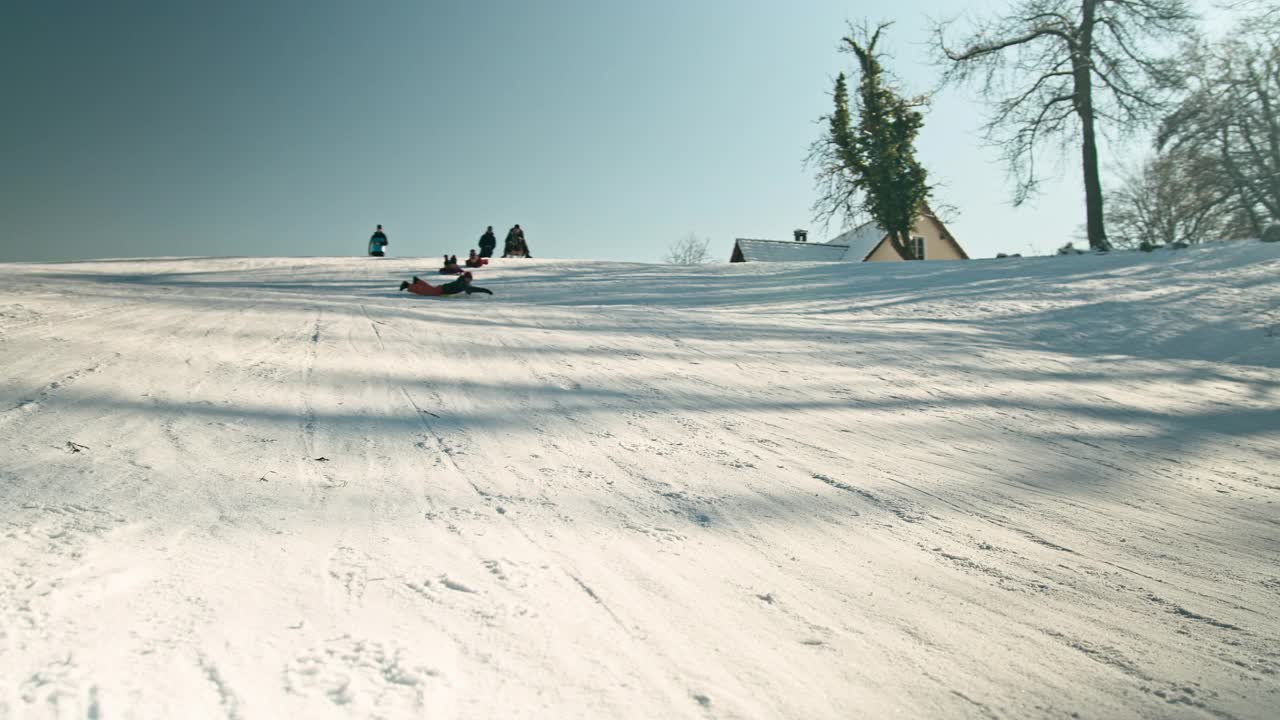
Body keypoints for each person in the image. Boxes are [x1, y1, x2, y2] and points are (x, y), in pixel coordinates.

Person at [399, 272, 493, 296]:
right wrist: (485, 290)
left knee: (427, 289)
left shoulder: (462, 282)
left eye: (470, 280)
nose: (470, 281)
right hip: (441, 290)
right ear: (466, 278)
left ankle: (417, 281)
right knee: (424, 292)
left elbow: (469, 289)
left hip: (442, 289)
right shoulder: (462, 283)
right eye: (469, 279)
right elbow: (471, 289)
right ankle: (407, 285)